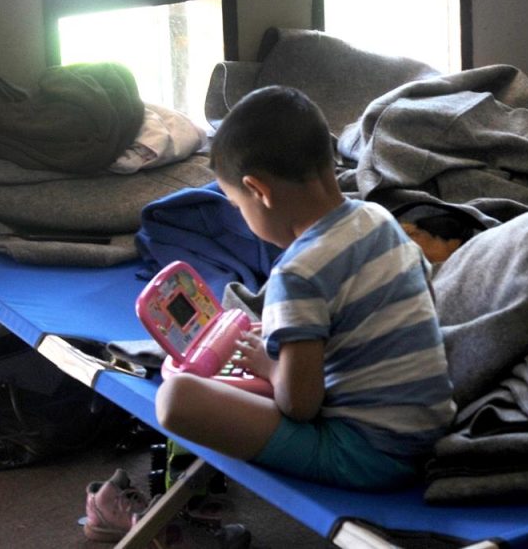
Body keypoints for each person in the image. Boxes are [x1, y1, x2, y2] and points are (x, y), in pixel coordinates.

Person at [155, 85, 455, 489]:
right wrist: (299, 342)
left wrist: (270, 365)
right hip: (431, 427)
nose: (242, 216)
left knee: (176, 399)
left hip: (367, 453)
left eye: (236, 205)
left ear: (258, 191)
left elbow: (299, 405)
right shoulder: (379, 219)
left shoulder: (296, 274)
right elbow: (411, 304)